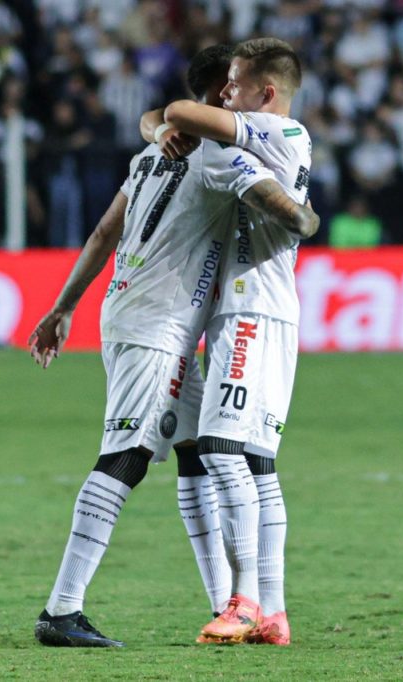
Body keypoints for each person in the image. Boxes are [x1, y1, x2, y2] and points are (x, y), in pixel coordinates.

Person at [28, 44, 318, 649]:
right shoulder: (217, 156)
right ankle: (62, 609)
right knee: (128, 455)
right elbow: (278, 205)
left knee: (193, 453)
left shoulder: (148, 155)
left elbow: (107, 228)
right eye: (228, 90)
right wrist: (305, 217)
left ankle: (229, 603)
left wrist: (63, 305)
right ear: (218, 99)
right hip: (159, 325)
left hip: (138, 314)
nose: (233, 98)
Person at [141, 37, 311, 646]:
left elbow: (179, 111)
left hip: (249, 312)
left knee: (217, 449)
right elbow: (165, 118)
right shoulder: (271, 138)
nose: (224, 94)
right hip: (268, 311)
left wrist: (169, 125)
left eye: (235, 84)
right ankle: (275, 612)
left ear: (266, 94)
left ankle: (242, 602)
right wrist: (158, 129)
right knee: (259, 466)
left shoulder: (270, 131)